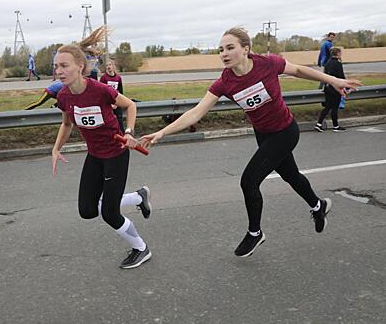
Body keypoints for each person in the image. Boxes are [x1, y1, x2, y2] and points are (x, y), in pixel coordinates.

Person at [141, 27, 362, 258]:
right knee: (291, 175)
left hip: (285, 131)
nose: (224, 53)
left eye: (230, 48)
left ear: (246, 49)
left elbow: (297, 70)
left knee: (249, 181)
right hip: (263, 134)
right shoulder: (225, 82)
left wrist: (333, 80)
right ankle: (318, 207)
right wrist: (161, 133)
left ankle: (255, 233)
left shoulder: (267, 64)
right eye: (220, 49)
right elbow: (196, 112)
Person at [52, 44, 152, 269]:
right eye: (56, 66)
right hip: (95, 156)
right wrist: (56, 148)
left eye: (64, 65)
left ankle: (141, 248)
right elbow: (66, 124)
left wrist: (129, 132)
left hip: (116, 154)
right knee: (86, 210)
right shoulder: (63, 95)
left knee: (110, 213)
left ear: (80, 66)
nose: (59, 70)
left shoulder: (99, 90)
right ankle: (138, 197)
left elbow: (130, 105)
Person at [315, 47, 347, 133]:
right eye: (340, 53)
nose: (341, 55)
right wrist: (346, 86)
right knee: (335, 108)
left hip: (327, 87)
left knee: (328, 106)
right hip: (335, 88)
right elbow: (341, 76)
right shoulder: (338, 63)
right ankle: (335, 126)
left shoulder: (328, 63)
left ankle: (319, 124)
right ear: (337, 54)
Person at [100, 59, 125, 131]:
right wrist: (110, 104)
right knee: (109, 122)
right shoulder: (104, 78)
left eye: (110, 65)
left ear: (113, 66)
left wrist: (118, 103)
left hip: (116, 102)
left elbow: (120, 91)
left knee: (119, 121)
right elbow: (102, 92)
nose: (108, 67)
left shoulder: (118, 78)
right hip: (108, 103)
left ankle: (123, 137)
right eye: (107, 65)